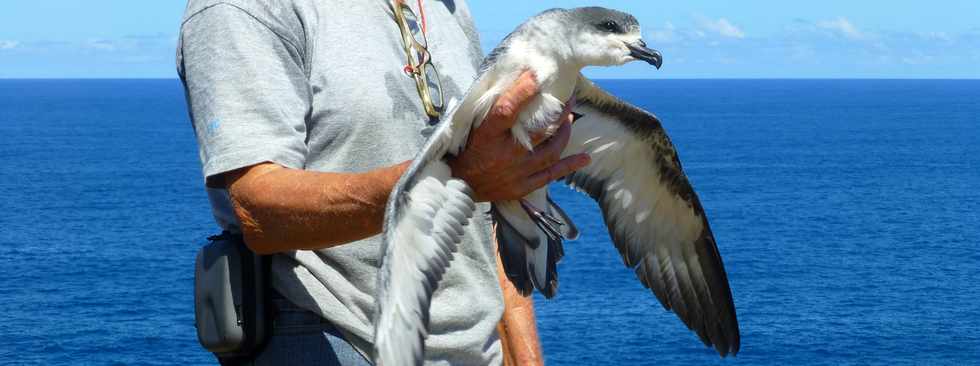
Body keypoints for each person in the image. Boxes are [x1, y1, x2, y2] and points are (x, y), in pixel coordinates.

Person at [177, 0, 590, 364]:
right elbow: (258, 209)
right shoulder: (243, 8)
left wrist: (523, 357)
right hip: (335, 339)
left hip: (477, 351)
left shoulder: (448, 8)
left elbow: (490, 197)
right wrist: (451, 178)